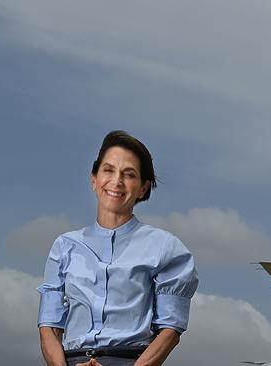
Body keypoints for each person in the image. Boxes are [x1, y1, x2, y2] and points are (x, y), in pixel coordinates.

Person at [37, 131, 199, 366]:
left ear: (143, 188)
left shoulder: (165, 248)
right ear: (94, 179)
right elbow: (48, 326)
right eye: (108, 170)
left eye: (129, 174)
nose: (117, 181)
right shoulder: (64, 246)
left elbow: (170, 331)